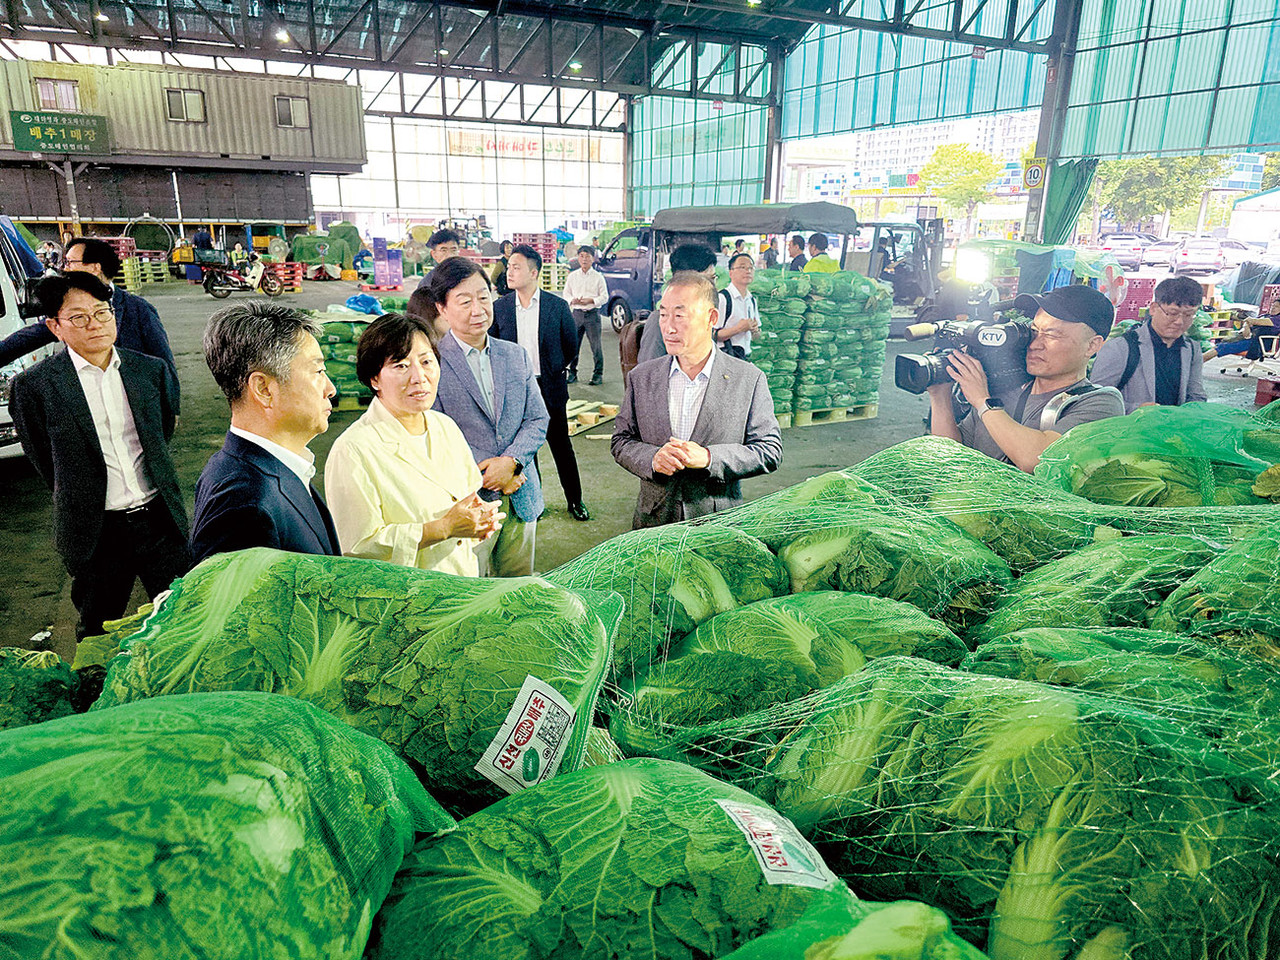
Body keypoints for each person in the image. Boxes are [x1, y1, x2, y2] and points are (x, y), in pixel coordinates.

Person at [9, 273, 190, 640]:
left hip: (159, 522)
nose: (94, 325)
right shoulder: (35, 387)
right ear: (55, 327)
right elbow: (44, 458)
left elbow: (160, 436)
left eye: (102, 313)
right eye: (78, 317)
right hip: (96, 530)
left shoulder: (148, 371)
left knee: (180, 618)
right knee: (97, 626)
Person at [324, 313, 502, 575]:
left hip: (461, 581)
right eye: (400, 366)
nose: (419, 377)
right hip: (405, 600)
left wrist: (477, 519)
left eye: (426, 361)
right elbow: (356, 545)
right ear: (374, 379)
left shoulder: (444, 426)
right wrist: (442, 529)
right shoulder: (353, 450)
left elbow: (467, 495)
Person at [612, 271, 782, 528]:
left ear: (711, 318)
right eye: (664, 314)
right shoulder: (642, 377)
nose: (668, 327)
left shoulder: (748, 379)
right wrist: (652, 458)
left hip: (717, 523)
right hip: (654, 520)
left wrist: (709, 458)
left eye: (680, 316)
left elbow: (768, 450)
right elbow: (621, 441)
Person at [425, 257, 549, 576]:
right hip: (467, 501)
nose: (478, 309)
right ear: (442, 308)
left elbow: (537, 419)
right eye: (464, 301)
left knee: (518, 587)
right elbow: (434, 432)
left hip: (520, 491)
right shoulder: (431, 363)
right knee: (473, 590)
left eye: (484, 297)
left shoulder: (515, 356)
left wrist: (512, 462)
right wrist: (487, 471)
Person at [190, 302, 341, 563]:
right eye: (318, 371)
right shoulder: (245, 505)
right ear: (263, 389)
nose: (330, 389)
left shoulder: (263, 468)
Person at [928, 284, 1126, 473]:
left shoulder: (1101, 402)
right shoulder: (1005, 391)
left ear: (1092, 345)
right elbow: (951, 455)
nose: (1035, 344)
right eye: (1033, 331)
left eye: (1052, 335)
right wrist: (939, 394)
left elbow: (1037, 459)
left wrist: (982, 401)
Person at [0, 237, 179, 409]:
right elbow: (29, 337)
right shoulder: (65, 309)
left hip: (137, 404)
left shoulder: (139, 309)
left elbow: (163, 360)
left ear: (95, 267)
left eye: (70, 262)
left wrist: (172, 406)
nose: (64, 268)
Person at [493, 244, 591, 522]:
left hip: (550, 388)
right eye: (509, 266)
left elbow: (571, 345)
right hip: (515, 393)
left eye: (516, 267)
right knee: (525, 452)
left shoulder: (556, 306)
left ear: (534, 272)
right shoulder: (499, 309)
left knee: (561, 447)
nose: (509, 272)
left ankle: (576, 501)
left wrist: (553, 370)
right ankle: (533, 504)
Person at [1091, 276, 1208, 412]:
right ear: (1153, 308)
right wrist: (1135, 409)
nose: (1179, 322)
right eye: (1172, 313)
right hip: (1130, 429)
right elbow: (1095, 400)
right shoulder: (1120, 348)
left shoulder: (1192, 349)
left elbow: (1196, 395)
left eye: (1188, 315)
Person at [636, 243, 718, 364]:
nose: (713, 286)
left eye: (714, 278)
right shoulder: (658, 322)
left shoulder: (704, 317)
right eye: (709, 280)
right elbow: (647, 375)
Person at [563, 245, 608, 386]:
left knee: (596, 346)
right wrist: (572, 301)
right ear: (578, 258)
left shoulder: (598, 277)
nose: (584, 259)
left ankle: (597, 374)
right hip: (576, 314)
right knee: (573, 345)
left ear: (593, 259)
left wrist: (592, 301)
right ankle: (572, 373)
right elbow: (566, 293)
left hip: (592, 315)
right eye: (581, 256)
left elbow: (604, 296)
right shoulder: (572, 276)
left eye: (587, 256)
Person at [715, 253, 761, 359]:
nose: (747, 271)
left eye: (751, 268)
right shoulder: (723, 298)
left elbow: (757, 336)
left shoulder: (752, 300)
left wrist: (755, 330)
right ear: (731, 272)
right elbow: (712, 334)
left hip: (745, 356)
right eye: (742, 267)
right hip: (727, 357)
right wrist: (739, 328)